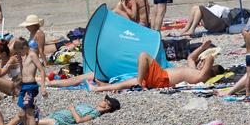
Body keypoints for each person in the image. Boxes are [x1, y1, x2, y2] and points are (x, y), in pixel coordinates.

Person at [84, 46, 220, 92]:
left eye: (204, 64)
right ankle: (99, 88)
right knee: (127, 82)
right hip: (160, 77)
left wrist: (210, 55)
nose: (201, 62)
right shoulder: (194, 70)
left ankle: (138, 82)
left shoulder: (201, 75)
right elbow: (190, 57)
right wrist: (203, 48)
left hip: (162, 79)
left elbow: (209, 61)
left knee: (143, 56)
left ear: (210, 70)